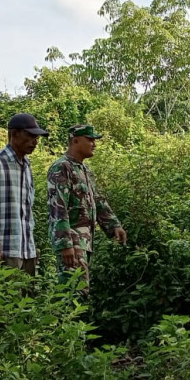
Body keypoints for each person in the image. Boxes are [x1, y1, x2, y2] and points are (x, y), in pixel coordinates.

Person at [47, 124, 128, 293]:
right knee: (73, 294)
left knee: (81, 292)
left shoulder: (84, 170)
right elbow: (58, 208)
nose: (94, 144)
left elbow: (97, 200)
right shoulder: (62, 168)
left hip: (85, 242)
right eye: (90, 140)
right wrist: (65, 244)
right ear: (75, 141)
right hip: (72, 243)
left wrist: (114, 226)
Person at [0, 113, 48, 275]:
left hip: (26, 249)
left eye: (37, 138)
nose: (35, 142)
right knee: (5, 297)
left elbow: (26, 211)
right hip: (4, 250)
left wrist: (31, 248)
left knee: (27, 298)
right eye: (30, 136)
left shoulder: (27, 166)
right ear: (14, 134)